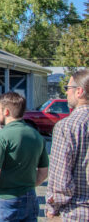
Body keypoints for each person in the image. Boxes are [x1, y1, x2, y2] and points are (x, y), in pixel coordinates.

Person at [0, 92, 48, 222]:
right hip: (29, 196)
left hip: (5, 198)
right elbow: (43, 172)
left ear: (6, 111)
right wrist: (28, 185)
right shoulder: (37, 136)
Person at [46, 69, 89, 221]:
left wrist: (52, 206)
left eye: (68, 88)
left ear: (79, 91)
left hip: (77, 211)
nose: (66, 93)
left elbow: (60, 178)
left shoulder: (68, 126)